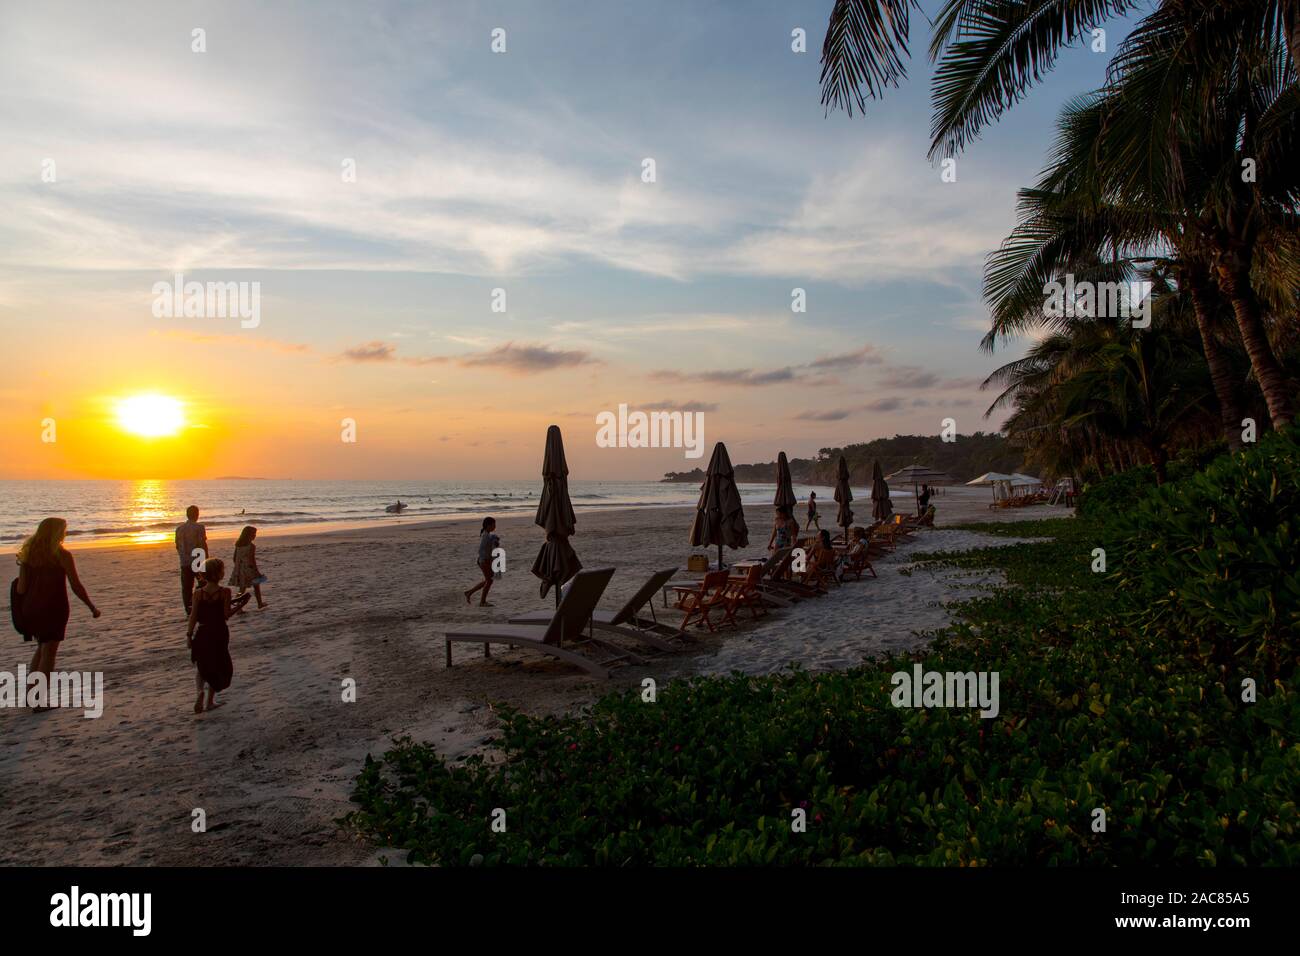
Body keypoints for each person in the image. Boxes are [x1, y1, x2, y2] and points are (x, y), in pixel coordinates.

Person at [15, 518, 100, 695]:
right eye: (63, 530)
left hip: (31, 609)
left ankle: (31, 694)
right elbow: (75, 585)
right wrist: (91, 606)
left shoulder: (28, 555)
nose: (65, 533)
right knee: (49, 653)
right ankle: (38, 700)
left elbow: (21, 588)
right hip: (54, 608)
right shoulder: (62, 555)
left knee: (41, 647)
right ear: (56, 533)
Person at [186, 557, 237, 713]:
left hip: (203, 632)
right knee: (218, 665)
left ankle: (200, 692)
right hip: (219, 631)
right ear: (219, 574)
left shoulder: (198, 594)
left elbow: (193, 616)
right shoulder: (225, 592)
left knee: (202, 667)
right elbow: (226, 615)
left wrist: (189, 635)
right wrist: (240, 605)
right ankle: (209, 702)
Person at [174, 505, 209, 616]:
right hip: (197, 558)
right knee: (203, 584)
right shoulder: (199, 527)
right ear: (197, 515)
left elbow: (177, 545)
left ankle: (189, 609)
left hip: (184, 560)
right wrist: (206, 559)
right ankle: (202, 606)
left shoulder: (179, 529)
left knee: (186, 587)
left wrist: (182, 555)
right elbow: (202, 544)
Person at [464, 517, 499, 607]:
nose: (495, 526)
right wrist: (487, 561)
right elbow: (481, 550)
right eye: (493, 525)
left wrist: (494, 540)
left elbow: (490, 544)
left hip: (484, 560)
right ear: (488, 525)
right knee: (489, 580)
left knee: (489, 580)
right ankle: (482, 602)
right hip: (483, 560)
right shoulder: (486, 536)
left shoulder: (487, 534)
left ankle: (469, 592)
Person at [231, 526, 268, 609]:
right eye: (253, 534)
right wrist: (256, 571)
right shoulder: (251, 546)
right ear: (248, 535)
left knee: (242, 589)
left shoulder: (238, 545)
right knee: (256, 587)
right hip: (250, 569)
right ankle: (260, 603)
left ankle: (238, 606)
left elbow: (234, 558)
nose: (255, 536)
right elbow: (252, 560)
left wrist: (238, 567)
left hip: (240, 569)